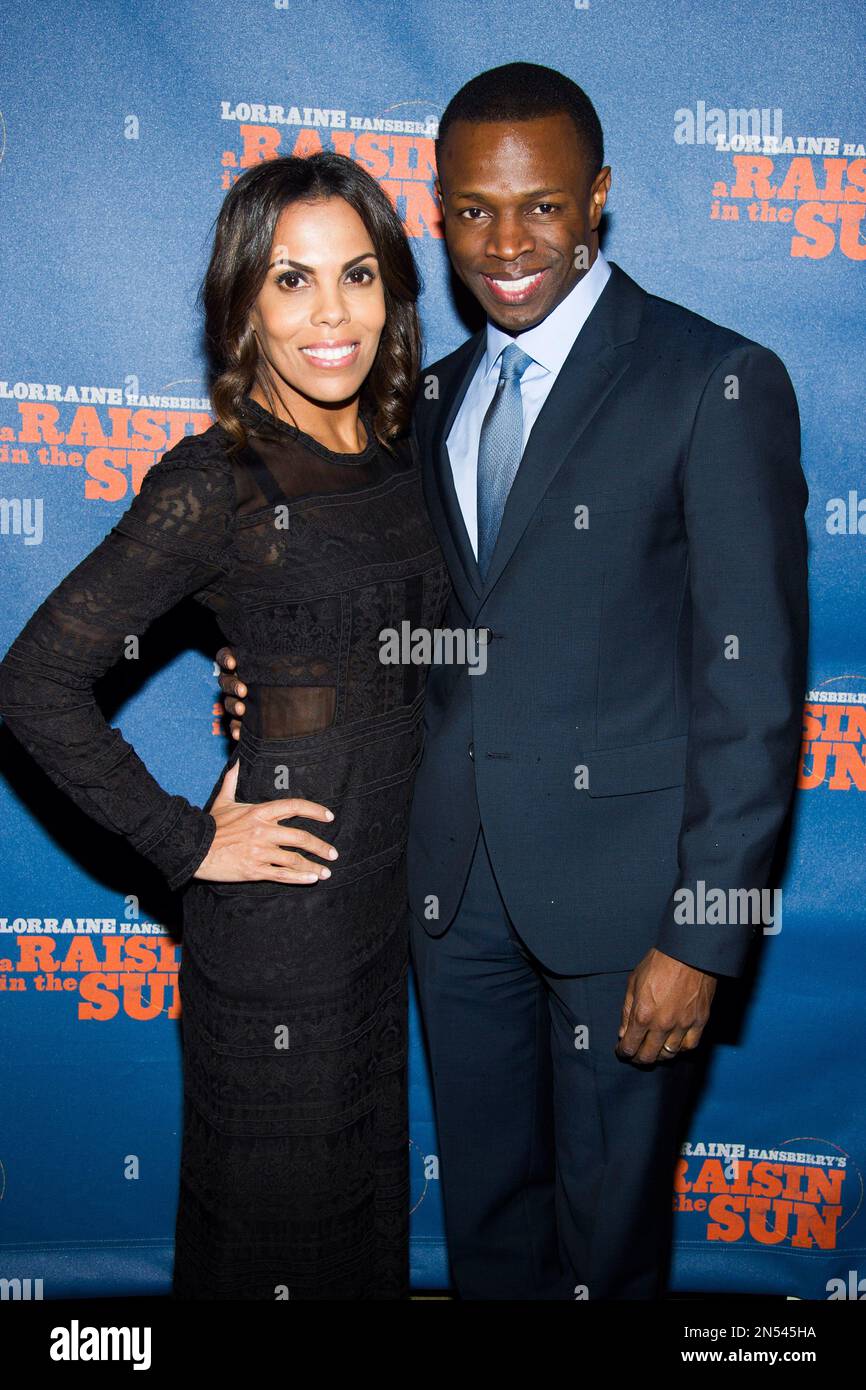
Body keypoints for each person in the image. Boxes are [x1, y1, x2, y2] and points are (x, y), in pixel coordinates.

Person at [219, 64, 809, 1300]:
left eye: (540, 205)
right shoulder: (431, 400)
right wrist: (288, 680)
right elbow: (448, 639)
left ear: (597, 197)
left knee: (606, 1242)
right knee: (487, 1224)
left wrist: (700, 932)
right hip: (455, 890)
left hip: (626, 907)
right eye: (473, 210)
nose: (506, 243)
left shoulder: (712, 378)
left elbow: (749, 685)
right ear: (437, 213)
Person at [0, 151, 449, 1299]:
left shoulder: (414, 450)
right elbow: (35, 683)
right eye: (290, 281)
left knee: (357, 1224)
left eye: (355, 273)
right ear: (242, 302)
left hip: (387, 912)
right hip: (281, 937)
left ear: (394, 286)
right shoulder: (221, 483)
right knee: (271, 1233)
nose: (331, 312)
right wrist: (189, 844)